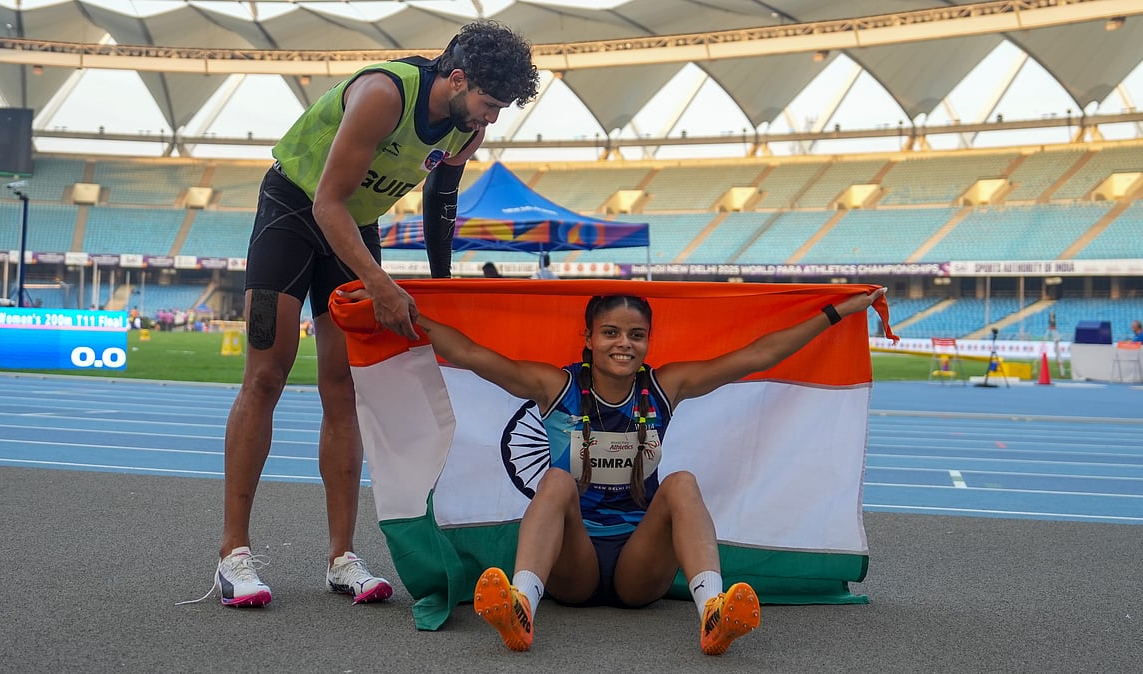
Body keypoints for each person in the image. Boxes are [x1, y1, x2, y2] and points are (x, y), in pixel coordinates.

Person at [203, 20, 539, 609]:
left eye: (500, 111)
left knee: (342, 387)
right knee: (266, 374)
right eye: (487, 105)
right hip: (295, 210)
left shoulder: (465, 130)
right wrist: (380, 284)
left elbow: (441, 199)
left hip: (354, 229)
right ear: (457, 79)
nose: (489, 120)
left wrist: (440, 283)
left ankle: (341, 558)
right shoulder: (386, 93)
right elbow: (326, 201)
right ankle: (234, 554)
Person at [409, 287, 884, 654]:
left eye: (636, 335)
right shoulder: (555, 386)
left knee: (681, 482)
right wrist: (403, 310)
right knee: (555, 480)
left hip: (641, 566)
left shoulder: (664, 386)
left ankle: (714, 616)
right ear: (589, 339)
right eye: (611, 332)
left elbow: (757, 356)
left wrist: (837, 312)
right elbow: (471, 355)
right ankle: (521, 609)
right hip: (572, 564)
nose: (624, 343)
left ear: (647, 342)